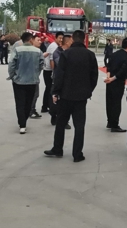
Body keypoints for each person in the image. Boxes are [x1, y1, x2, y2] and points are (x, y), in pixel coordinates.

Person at [44, 30, 99, 162]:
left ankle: (57, 149)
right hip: (81, 97)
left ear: (73, 39)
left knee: (61, 123)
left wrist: (56, 91)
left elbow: (59, 75)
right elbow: (94, 76)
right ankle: (77, 154)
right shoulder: (90, 55)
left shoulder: (66, 54)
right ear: (84, 39)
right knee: (79, 126)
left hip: (66, 95)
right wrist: (88, 90)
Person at [8, 32, 44, 134]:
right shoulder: (38, 51)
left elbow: (11, 64)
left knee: (19, 103)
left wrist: (12, 75)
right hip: (32, 81)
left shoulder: (17, 50)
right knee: (29, 102)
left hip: (18, 81)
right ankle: (24, 121)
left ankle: (22, 124)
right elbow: (42, 63)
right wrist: (36, 73)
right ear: (31, 40)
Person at [105, 37, 127, 132]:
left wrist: (109, 77)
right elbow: (122, 71)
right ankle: (114, 124)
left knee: (109, 102)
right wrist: (113, 78)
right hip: (117, 82)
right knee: (116, 103)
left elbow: (108, 66)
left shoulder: (114, 54)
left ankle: (110, 121)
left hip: (109, 81)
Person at [50, 34, 73, 128]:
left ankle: (65, 121)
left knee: (66, 101)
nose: (72, 43)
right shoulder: (57, 52)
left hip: (68, 80)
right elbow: (60, 65)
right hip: (59, 79)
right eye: (71, 41)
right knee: (56, 99)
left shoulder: (70, 52)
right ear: (67, 42)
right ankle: (54, 115)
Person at [42, 33, 63, 113]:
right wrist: (54, 72)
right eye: (59, 38)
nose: (61, 40)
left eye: (62, 39)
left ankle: (46, 106)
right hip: (49, 71)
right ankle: (48, 107)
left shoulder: (54, 45)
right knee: (50, 89)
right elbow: (52, 60)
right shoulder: (54, 46)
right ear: (55, 38)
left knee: (48, 89)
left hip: (48, 70)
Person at [28, 34, 44, 119]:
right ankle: (31, 110)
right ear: (32, 40)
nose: (40, 42)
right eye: (38, 40)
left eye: (40, 40)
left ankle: (30, 110)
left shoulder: (35, 50)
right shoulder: (37, 52)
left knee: (33, 94)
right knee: (35, 94)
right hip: (33, 77)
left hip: (28, 76)